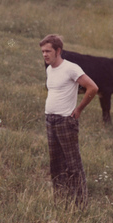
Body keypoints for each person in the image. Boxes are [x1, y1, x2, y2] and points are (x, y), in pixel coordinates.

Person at [40, 34, 98, 208]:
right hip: (50, 119)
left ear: (58, 51)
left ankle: (80, 204)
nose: (45, 55)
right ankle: (61, 200)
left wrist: (78, 109)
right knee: (55, 163)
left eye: (48, 51)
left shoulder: (71, 68)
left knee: (73, 163)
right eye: (42, 51)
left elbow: (92, 87)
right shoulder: (49, 70)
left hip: (65, 121)